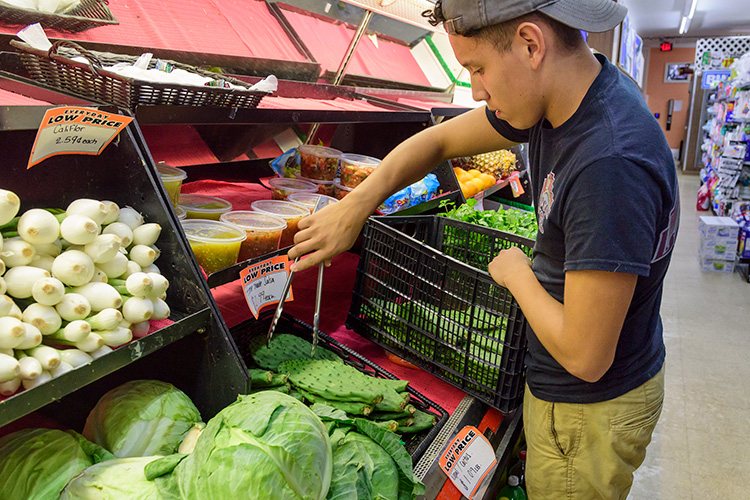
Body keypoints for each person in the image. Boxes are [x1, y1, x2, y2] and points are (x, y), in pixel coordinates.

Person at [289, 0, 678, 498]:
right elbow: (435, 143)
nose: (475, 90)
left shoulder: (609, 161)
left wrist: (518, 272)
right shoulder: (569, 95)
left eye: (478, 69)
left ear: (531, 45)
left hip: (587, 411)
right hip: (579, 384)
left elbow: (586, 356)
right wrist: (357, 205)